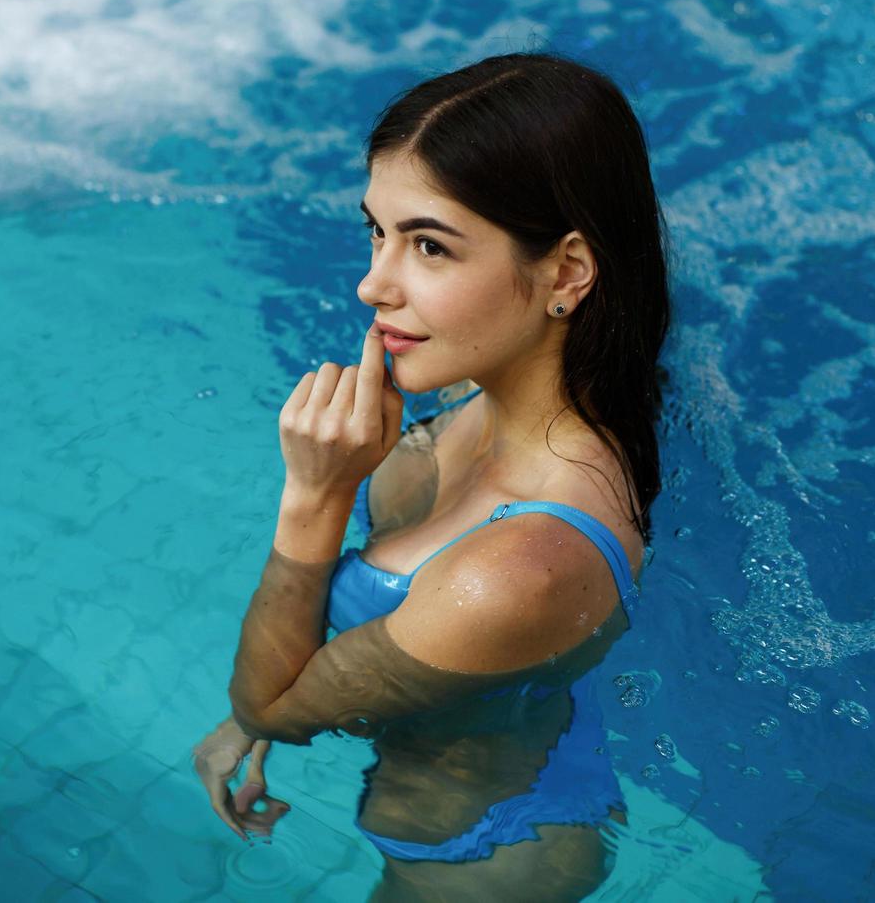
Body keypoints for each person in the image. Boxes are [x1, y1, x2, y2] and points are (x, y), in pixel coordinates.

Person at [192, 51, 671, 902]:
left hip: (480, 860)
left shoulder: (512, 573)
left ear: (567, 272)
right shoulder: (494, 395)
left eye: (429, 246)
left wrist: (315, 495)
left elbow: (271, 707)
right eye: (378, 230)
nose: (373, 282)